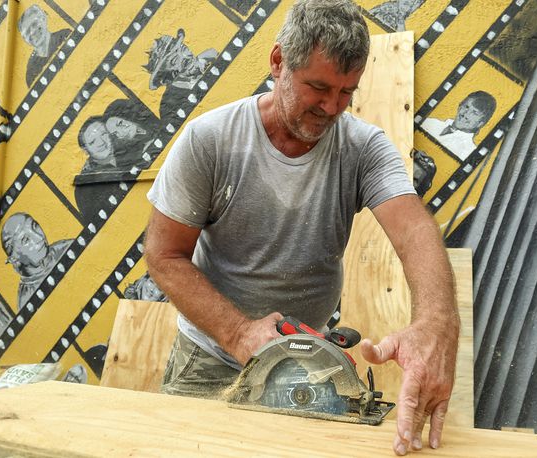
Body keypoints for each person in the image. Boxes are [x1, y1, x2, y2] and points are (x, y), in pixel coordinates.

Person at [144, 1, 458, 455]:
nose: (332, 107)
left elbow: (414, 233)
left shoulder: (363, 148)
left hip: (304, 368)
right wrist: (238, 333)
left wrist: (435, 325)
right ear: (278, 63)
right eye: (318, 87)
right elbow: (164, 256)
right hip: (209, 357)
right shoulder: (209, 140)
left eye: (347, 92)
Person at [0, 213, 72, 309]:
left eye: (35, 226)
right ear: (14, 258)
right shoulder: (28, 302)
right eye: (25, 239)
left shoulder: (67, 248)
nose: (39, 237)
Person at [143, 29, 217, 122]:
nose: (183, 57)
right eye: (174, 60)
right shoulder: (170, 107)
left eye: (182, 49)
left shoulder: (211, 56)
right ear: (168, 73)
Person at [421, 90, 496, 161]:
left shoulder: (469, 152)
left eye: (474, 113)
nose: (465, 114)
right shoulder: (430, 122)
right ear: (460, 106)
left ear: (481, 123)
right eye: (466, 107)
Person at [17, 5, 71, 87]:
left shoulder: (66, 36)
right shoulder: (31, 71)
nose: (32, 32)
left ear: (44, 18)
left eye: (34, 24)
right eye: (27, 31)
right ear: (25, 39)